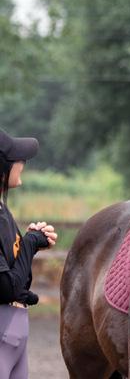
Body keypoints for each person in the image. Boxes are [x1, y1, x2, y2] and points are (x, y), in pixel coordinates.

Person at [0, 128, 58, 379]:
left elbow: (16, 279)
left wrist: (29, 242)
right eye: (17, 159)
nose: (22, 163)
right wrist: (30, 244)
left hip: (14, 331)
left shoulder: (3, 211)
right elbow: (6, 288)